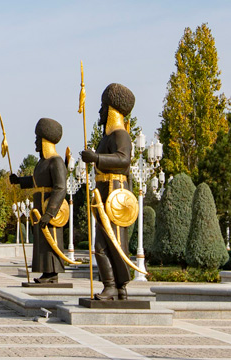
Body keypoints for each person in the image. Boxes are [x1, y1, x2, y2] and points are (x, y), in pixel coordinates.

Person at [81, 83, 135, 300]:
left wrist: (96, 158)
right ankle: (119, 287)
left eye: (103, 107)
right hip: (105, 192)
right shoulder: (107, 138)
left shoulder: (121, 135)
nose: (99, 112)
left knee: (105, 244)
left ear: (111, 109)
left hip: (115, 194)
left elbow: (123, 160)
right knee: (110, 240)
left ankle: (111, 286)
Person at [10, 118, 67, 283]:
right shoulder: (42, 163)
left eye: (38, 139)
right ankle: (46, 273)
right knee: (42, 242)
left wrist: (50, 212)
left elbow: (60, 188)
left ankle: (53, 274)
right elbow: (36, 181)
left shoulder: (56, 161)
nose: (35, 142)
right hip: (38, 208)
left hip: (50, 209)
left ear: (45, 141)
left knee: (51, 239)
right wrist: (19, 181)